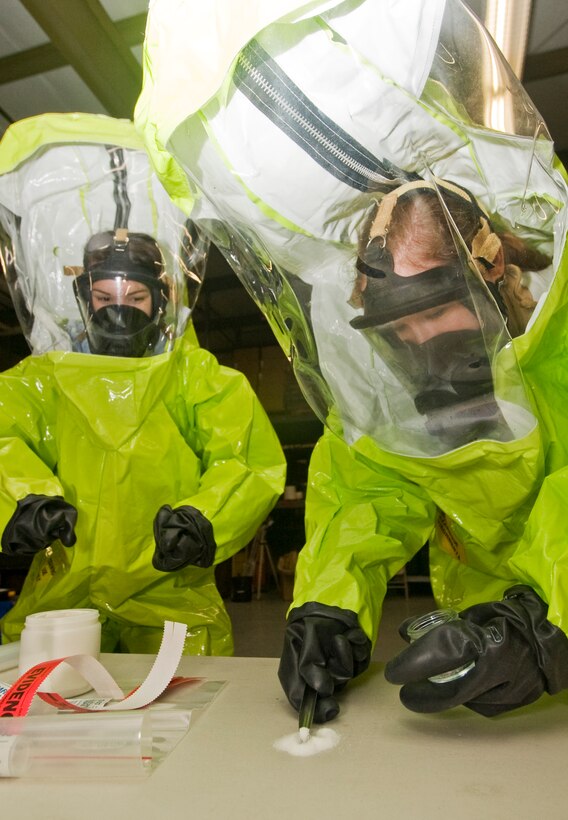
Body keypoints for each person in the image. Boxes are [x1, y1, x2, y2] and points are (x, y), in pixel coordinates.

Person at [133, 0, 568, 718]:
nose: (422, 340)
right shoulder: (367, 361)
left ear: (492, 267)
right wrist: (331, 605)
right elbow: (369, 489)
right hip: (495, 644)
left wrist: (547, 618)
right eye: (398, 320)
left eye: (438, 306)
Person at [0, 113, 286, 655]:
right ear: (82, 300)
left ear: (163, 300)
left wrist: (205, 518)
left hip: (171, 594)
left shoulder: (196, 377)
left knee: (183, 725)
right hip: (60, 595)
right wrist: (21, 500)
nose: (118, 314)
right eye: (104, 301)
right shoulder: (42, 380)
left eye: (135, 300)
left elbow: (246, 462)